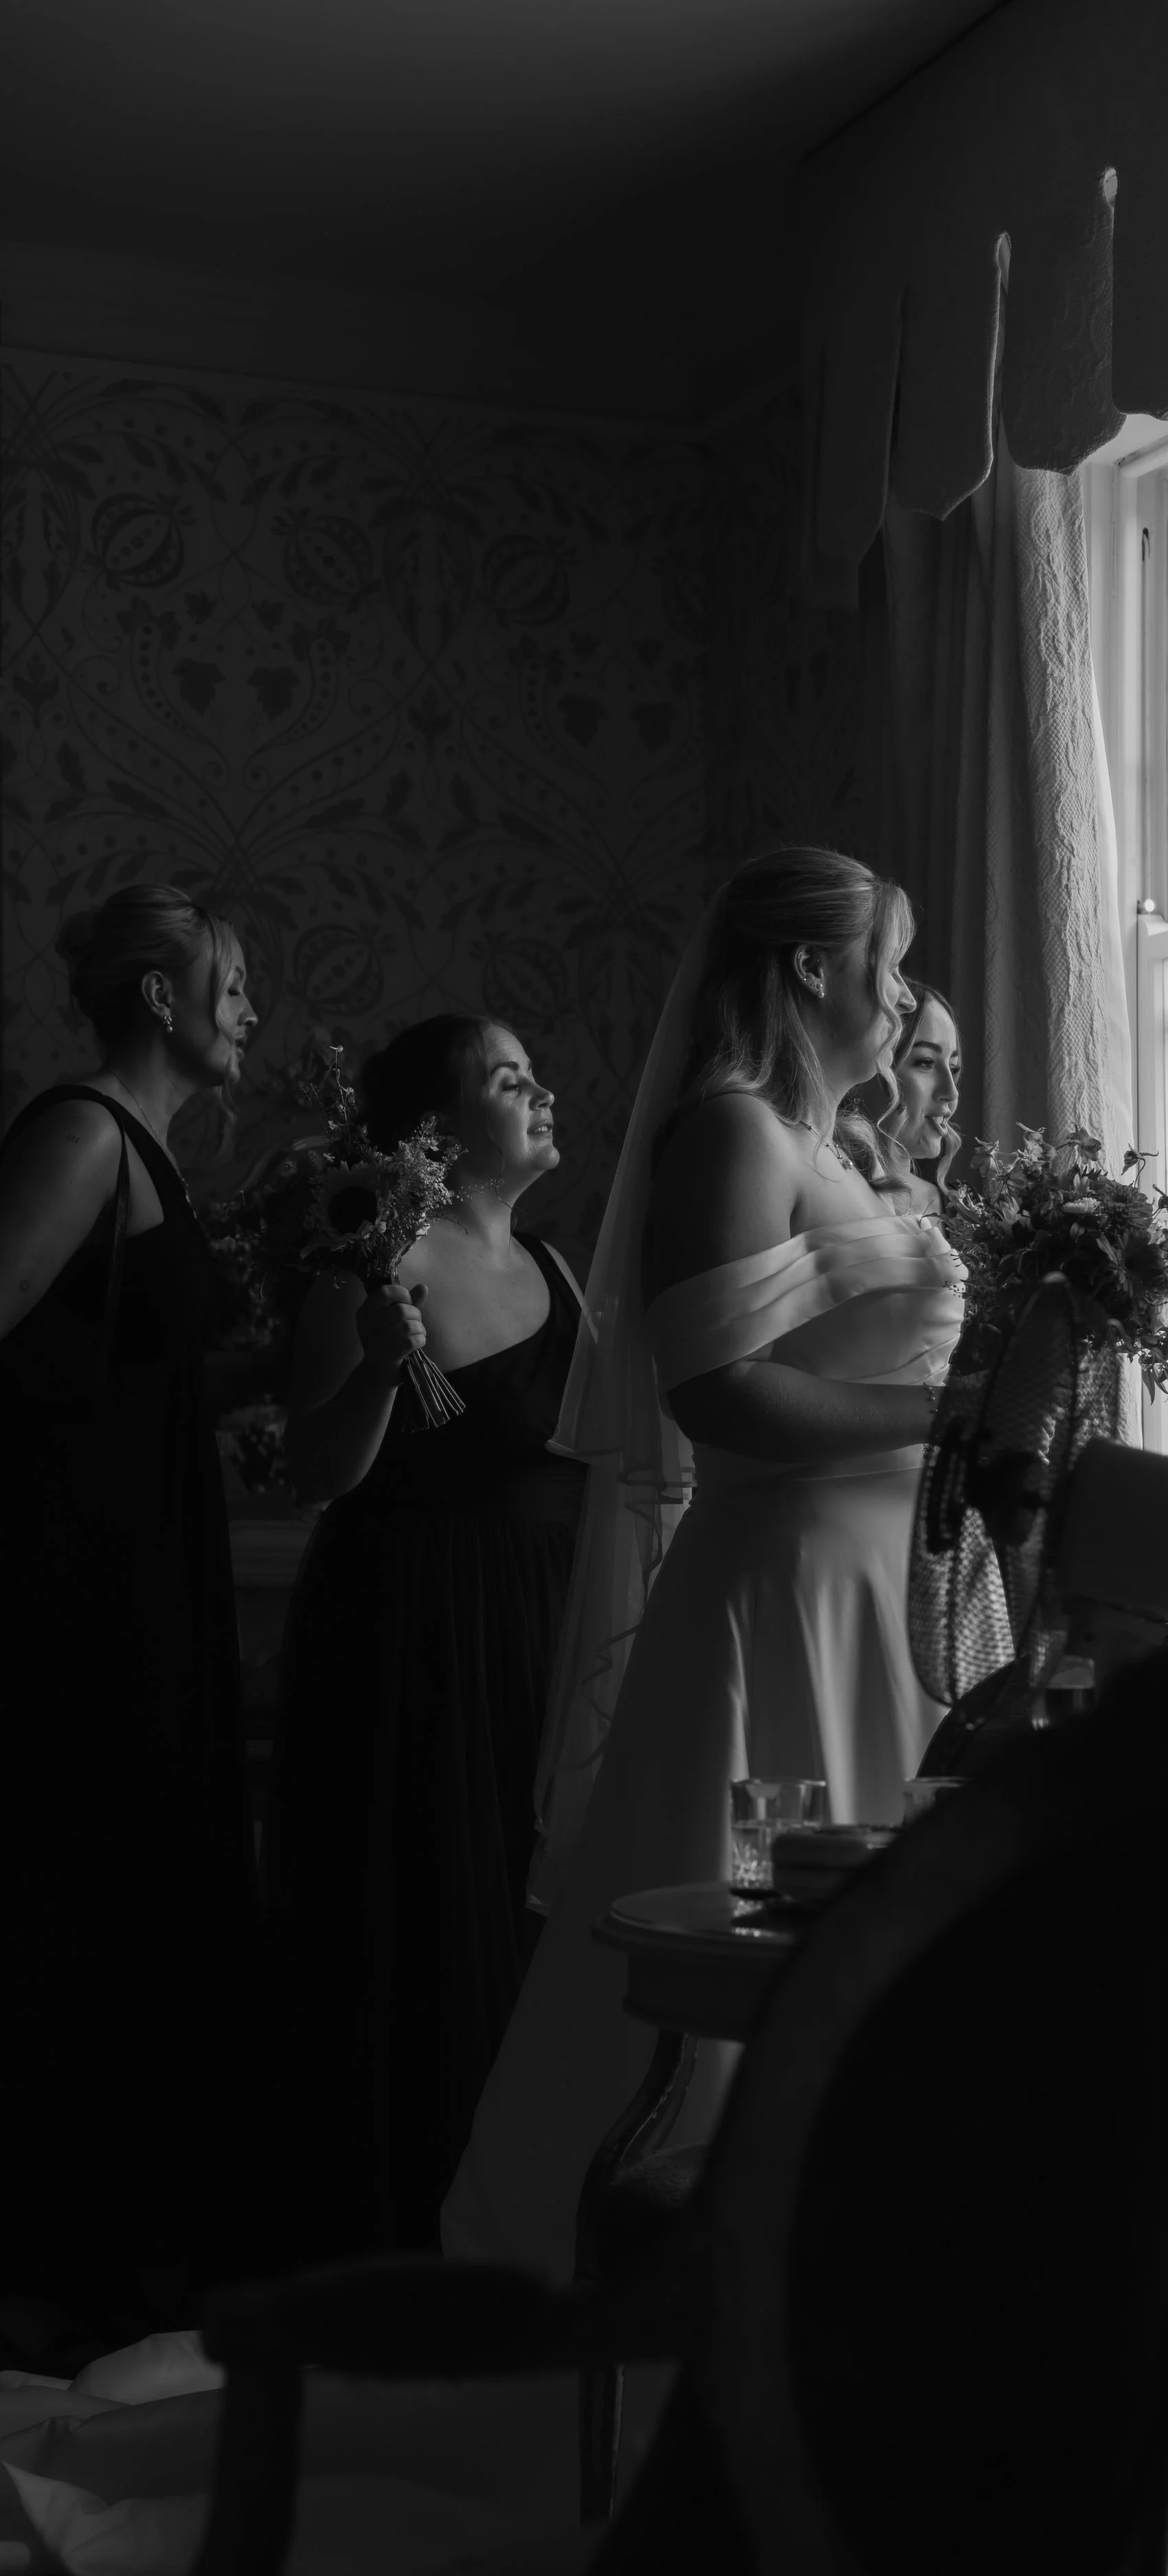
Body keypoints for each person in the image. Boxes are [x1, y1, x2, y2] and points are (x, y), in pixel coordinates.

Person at [442, 847, 965, 2279]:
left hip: (887, 1610)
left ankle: (857, 2274)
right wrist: (951, 1416)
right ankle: (699, 2292)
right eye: (888, 959)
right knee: (765, 1929)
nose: (903, 991)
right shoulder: (730, 1134)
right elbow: (715, 1391)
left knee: (880, 1953)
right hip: (781, 1615)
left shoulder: (840, 1150)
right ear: (807, 967)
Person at [267, 1015, 588, 2256]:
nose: (546, 1089)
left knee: (526, 1901)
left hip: (543, 1625)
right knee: (425, 1909)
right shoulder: (369, 1270)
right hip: (418, 1632)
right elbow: (314, 1470)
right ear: (440, 1135)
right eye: (515, 1080)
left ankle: (521, 2207)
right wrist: (378, 1375)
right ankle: (405, 2222)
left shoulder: (559, 1272)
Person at [0, 883, 262, 2320]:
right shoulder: (84, 1134)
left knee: (145, 1901)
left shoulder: (148, 1150)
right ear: (158, 998)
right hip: (72, 1588)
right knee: (77, 1903)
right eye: (231, 982)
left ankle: (126, 2266)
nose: (253, 1011)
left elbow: (127, 1374)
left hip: (149, 1565)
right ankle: (55, 2279)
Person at [874, 978, 963, 1214]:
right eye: (926, 1062)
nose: (952, 1092)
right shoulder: (827, 1199)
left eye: (953, 1068)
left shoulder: (962, 1210)